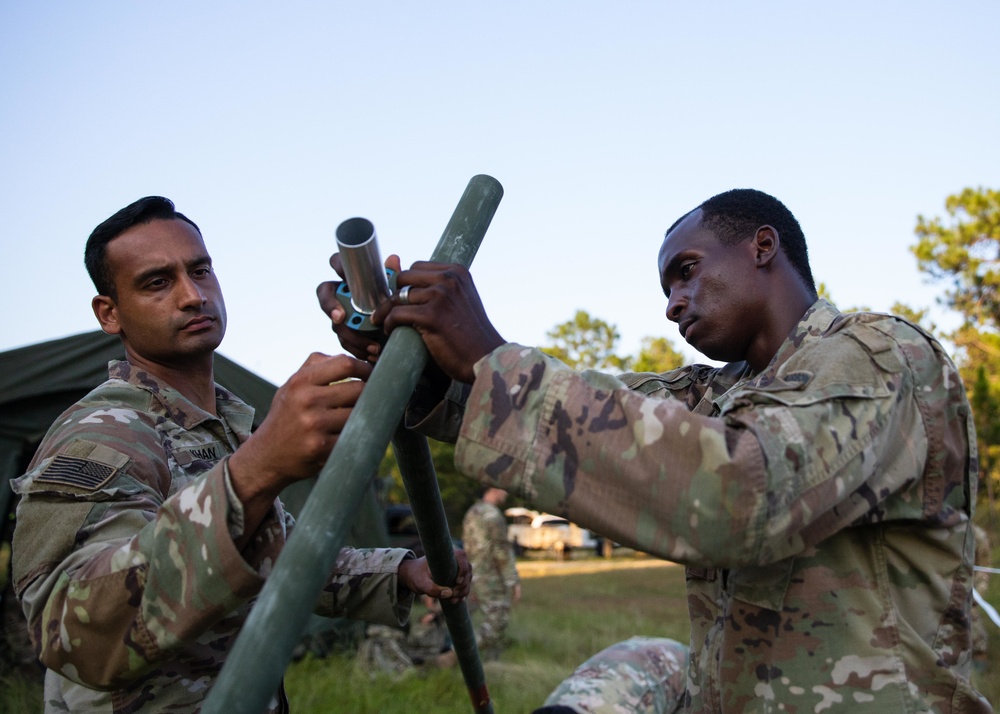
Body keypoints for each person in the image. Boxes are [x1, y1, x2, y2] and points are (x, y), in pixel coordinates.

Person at [318, 188, 991, 712]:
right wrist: (428, 365)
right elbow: (594, 404)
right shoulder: (719, 393)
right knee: (647, 661)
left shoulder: (877, 353)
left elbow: (741, 494)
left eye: (688, 272)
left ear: (763, 246)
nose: (674, 304)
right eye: (668, 288)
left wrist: (490, 356)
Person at [10, 196, 470, 714]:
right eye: (157, 282)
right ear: (109, 313)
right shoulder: (102, 433)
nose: (191, 296)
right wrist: (256, 470)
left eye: (200, 270)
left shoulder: (226, 422)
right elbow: (72, 631)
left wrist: (402, 573)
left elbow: (282, 556)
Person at [462, 486, 521, 661]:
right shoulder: (493, 515)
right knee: (497, 620)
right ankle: (459, 656)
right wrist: (512, 580)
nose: (507, 493)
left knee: (475, 616)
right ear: (494, 488)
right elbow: (501, 551)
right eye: (504, 489)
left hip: (472, 573)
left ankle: (491, 661)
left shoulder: (472, 512)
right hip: (490, 575)